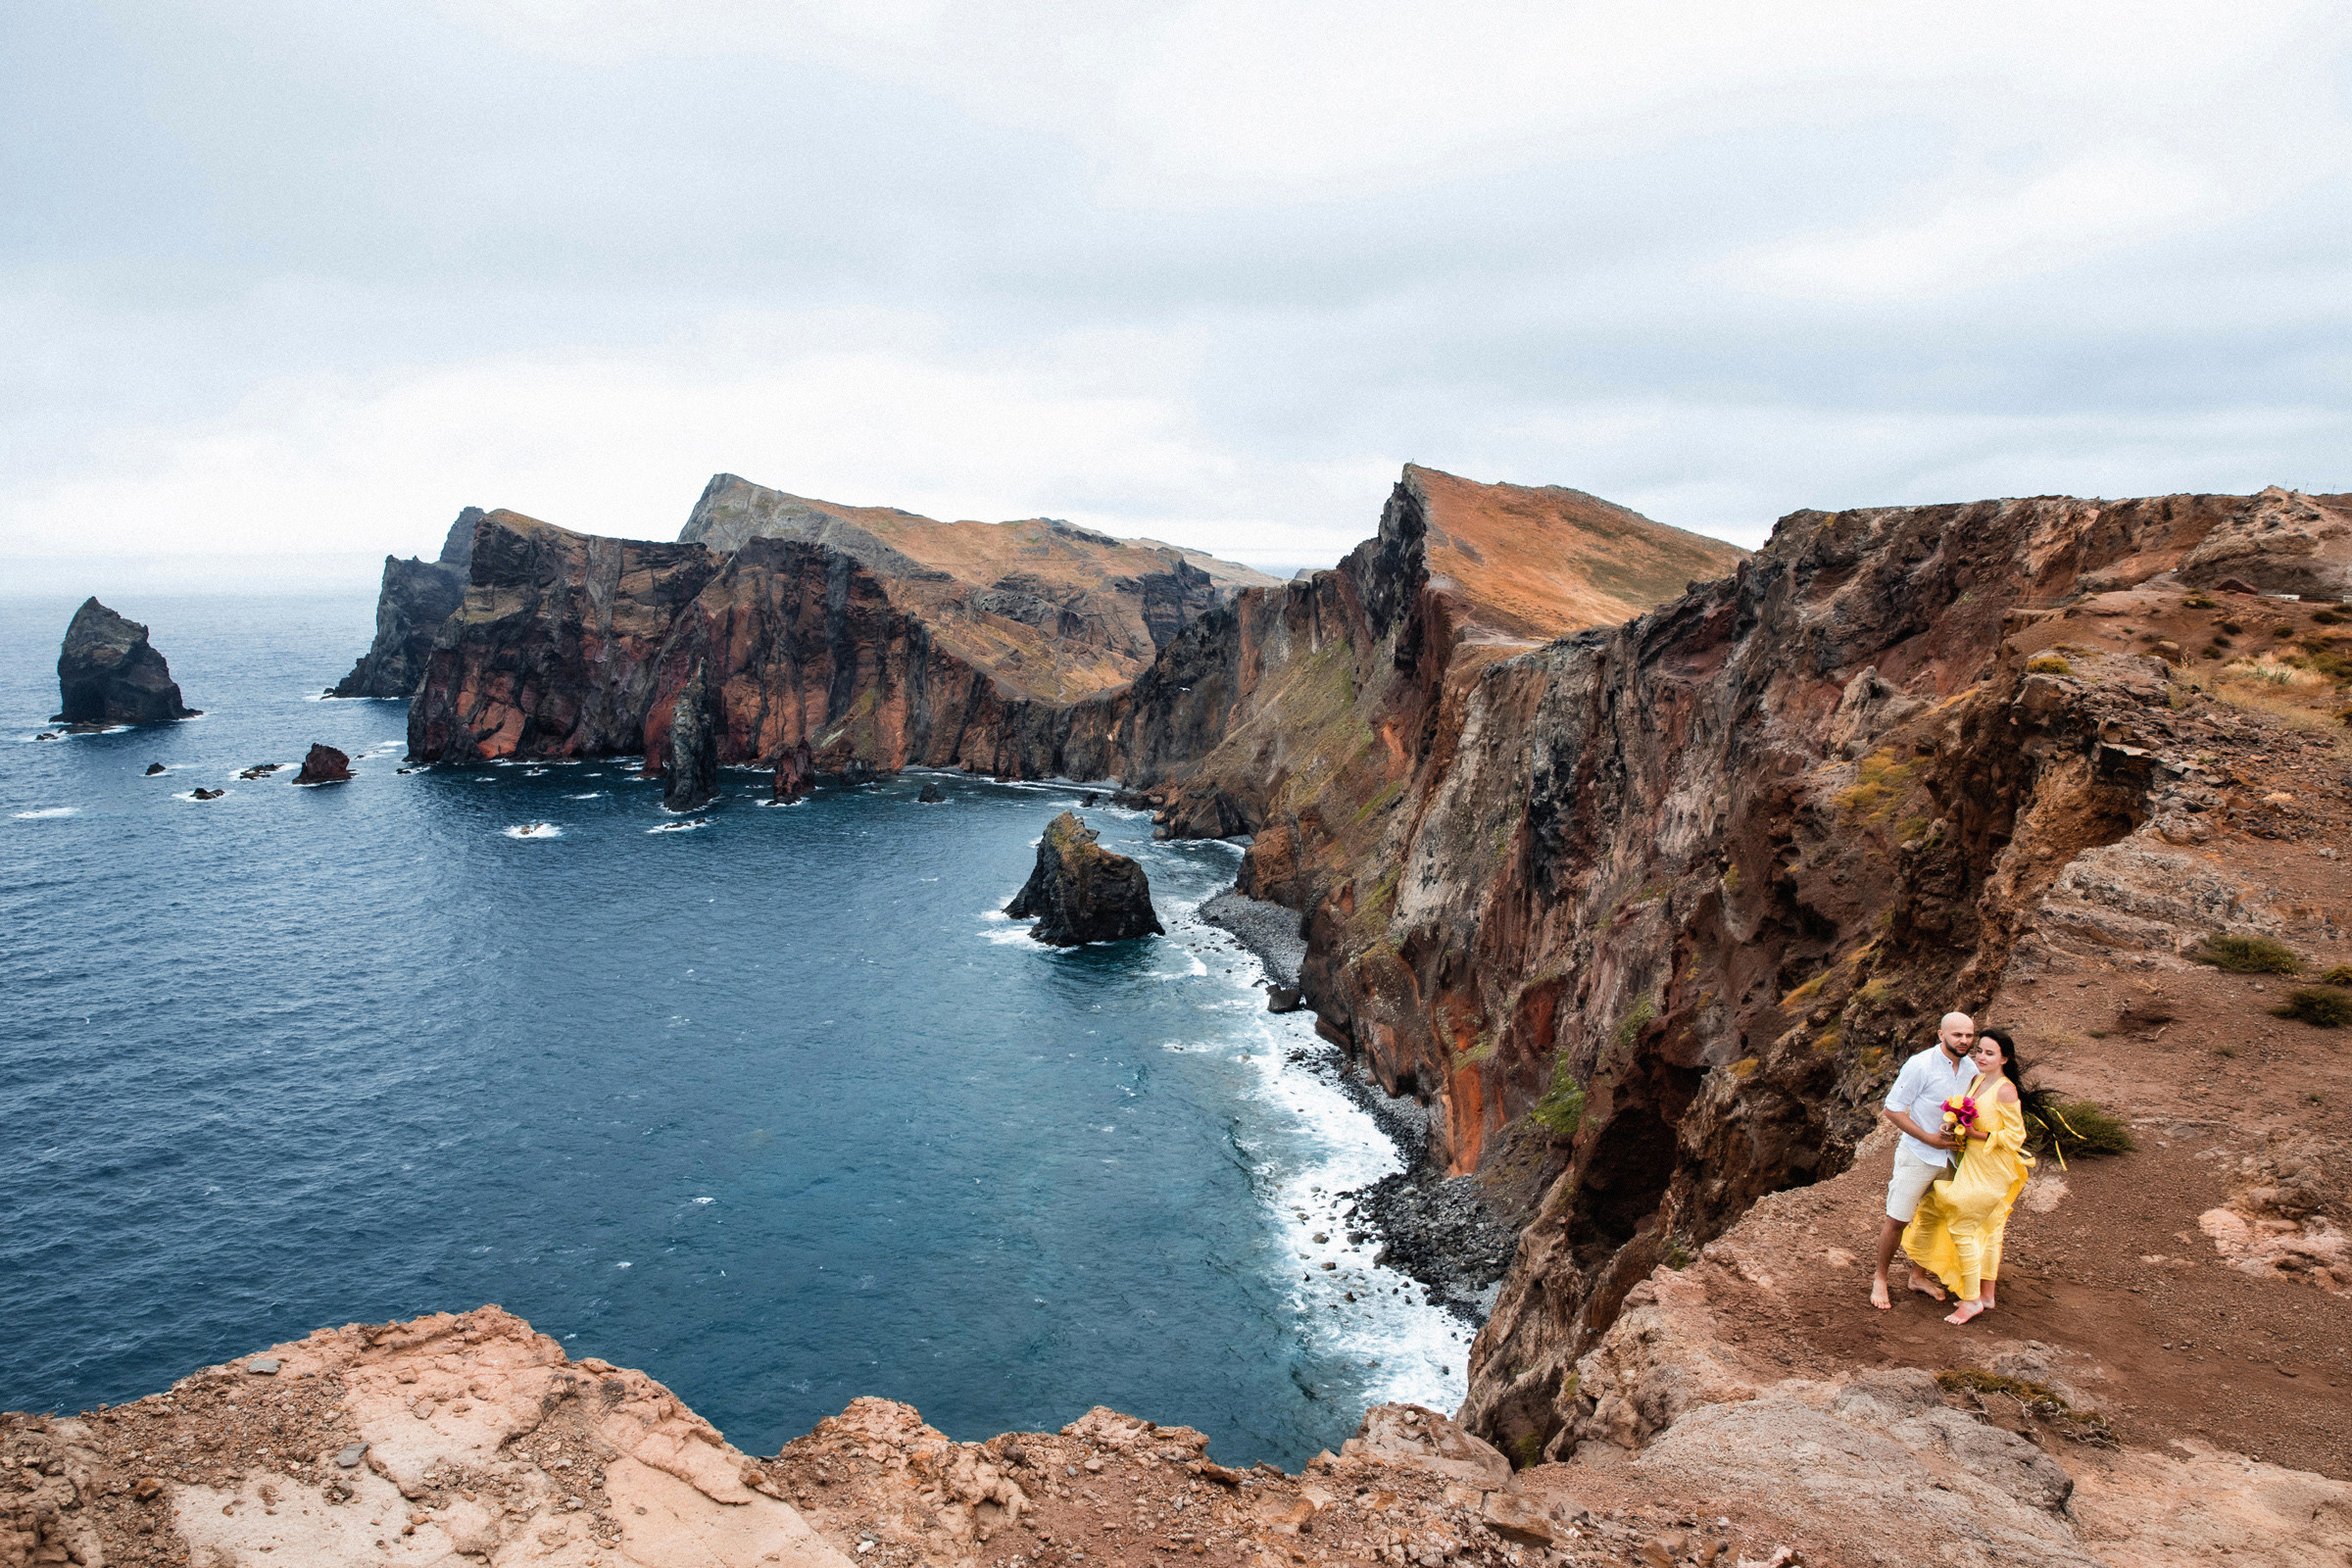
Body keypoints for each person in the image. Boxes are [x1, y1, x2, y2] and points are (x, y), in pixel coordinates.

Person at [1902, 1027, 2034, 1325]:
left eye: (1990, 1053)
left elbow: (2016, 1135)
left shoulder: (2005, 1089)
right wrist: (1956, 1128)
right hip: (1972, 1161)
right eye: (1980, 1051)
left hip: (1992, 1167)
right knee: (1989, 1226)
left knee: (1962, 1224)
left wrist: (1976, 1134)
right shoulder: (1977, 1081)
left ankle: (1972, 1299)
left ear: (2004, 1058)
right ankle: (1987, 1293)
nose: (1982, 1057)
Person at [1870, 1011, 1979, 1310]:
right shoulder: (1920, 1064)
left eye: (1969, 1035)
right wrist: (1928, 1138)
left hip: (1951, 1157)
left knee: (1935, 1218)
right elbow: (1892, 1109)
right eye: (1957, 1035)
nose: (1964, 1041)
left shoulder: (1971, 1068)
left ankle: (1917, 1275)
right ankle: (1880, 1277)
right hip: (1918, 1153)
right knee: (1898, 1217)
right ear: (1941, 1034)